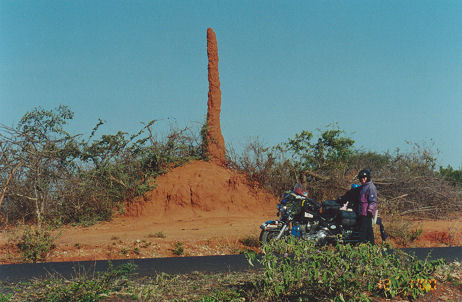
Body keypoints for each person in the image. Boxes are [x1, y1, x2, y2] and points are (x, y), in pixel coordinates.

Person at [357, 169, 377, 244]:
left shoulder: (371, 187)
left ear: (367, 177)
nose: (363, 179)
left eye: (364, 177)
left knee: (365, 230)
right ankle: (371, 245)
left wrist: (370, 210)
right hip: (362, 211)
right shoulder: (363, 187)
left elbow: (373, 201)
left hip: (367, 212)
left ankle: (363, 245)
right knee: (367, 230)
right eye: (361, 178)